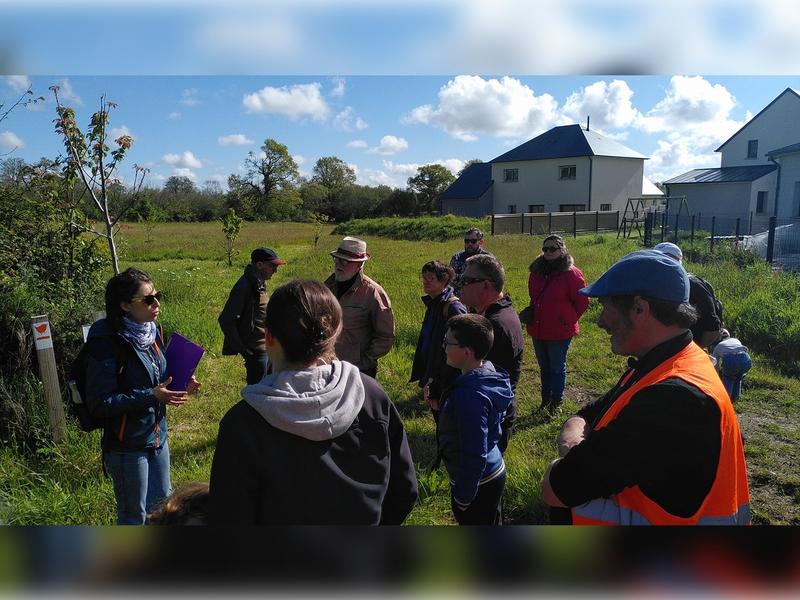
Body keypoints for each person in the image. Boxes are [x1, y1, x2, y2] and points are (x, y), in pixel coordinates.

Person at [540, 250, 750, 525]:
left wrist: (566, 460)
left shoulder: (674, 397)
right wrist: (575, 446)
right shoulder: (671, 361)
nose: (601, 321)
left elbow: (558, 488)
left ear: (640, 308)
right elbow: (589, 413)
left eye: (605, 307)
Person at [208, 279, 418, 525]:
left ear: (269, 337)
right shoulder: (370, 395)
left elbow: (229, 517)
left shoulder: (243, 422)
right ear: (335, 332)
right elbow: (404, 490)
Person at [85, 267, 200, 525]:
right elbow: (99, 403)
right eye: (148, 299)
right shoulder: (106, 340)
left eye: (157, 295)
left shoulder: (152, 330)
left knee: (164, 511)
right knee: (133, 517)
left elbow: (158, 373)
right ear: (125, 305)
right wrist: (152, 396)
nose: (156, 303)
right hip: (128, 447)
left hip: (158, 438)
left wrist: (181, 380)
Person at [438, 314, 513, 525]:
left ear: (467, 352)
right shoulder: (487, 372)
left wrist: (463, 496)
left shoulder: (469, 395)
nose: (443, 346)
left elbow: (474, 451)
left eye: (448, 342)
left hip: (479, 482)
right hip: (493, 469)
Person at [457, 254, 524, 453]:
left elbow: (485, 381)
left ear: (486, 285)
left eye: (466, 281)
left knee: (482, 475)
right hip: (491, 413)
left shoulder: (495, 326)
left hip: (492, 418)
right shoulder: (494, 313)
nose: (460, 285)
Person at [525, 235, 590, 415]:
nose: (548, 252)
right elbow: (533, 296)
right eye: (545, 249)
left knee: (556, 366)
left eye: (553, 249)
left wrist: (567, 319)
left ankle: (556, 401)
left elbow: (582, 301)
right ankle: (545, 399)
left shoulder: (571, 273)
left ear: (562, 250)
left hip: (559, 330)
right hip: (538, 327)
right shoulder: (537, 271)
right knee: (544, 366)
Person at [324, 236, 395, 378]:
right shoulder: (327, 287)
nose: (339, 264)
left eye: (346, 261)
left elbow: (386, 336)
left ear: (359, 265)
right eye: (337, 259)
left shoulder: (373, 293)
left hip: (358, 371)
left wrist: (364, 363)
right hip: (328, 366)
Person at [219, 247, 286, 384]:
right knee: (256, 392)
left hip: (266, 347)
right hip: (256, 351)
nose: (275, 270)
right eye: (272, 266)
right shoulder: (245, 286)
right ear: (259, 265)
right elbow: (226, 319)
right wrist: (243, 350)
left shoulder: (258, 283)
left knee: (267, 386)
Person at [410, 260, 468, 407]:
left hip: (445, 373)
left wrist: (443, 376)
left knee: (444, 415)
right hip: (433, 368)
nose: (425, 281)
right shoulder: (434, 303)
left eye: (431, 278)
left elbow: (462, 345)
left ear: (443, 280)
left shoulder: (453, 307)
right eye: (424, 277)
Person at [654, 242, 723, 348]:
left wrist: (695, 349)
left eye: (665, 259)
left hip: (687, 349)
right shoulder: (659, 285)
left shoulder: (693, 286)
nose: (659, 263)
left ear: (677, 261)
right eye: (656, 259)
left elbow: (713, 326)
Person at [711, 329, 753, 401]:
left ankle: (726, 399)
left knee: (728, 378)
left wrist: (717, 378)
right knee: (738, 377)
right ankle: (736, 398)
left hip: (731, 361)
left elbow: (716, 366)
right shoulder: (735, 340)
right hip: (746, 358)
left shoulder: (717, 347)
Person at [450, 227, 494, 295]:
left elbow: (491, 280)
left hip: (480, 298)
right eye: (467, 241)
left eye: (473, 241)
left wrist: (462, 279)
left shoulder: (487, 258)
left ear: (481, 241)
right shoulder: (456, 258)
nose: (469, 244)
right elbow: (451, 278)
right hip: (459, 298)